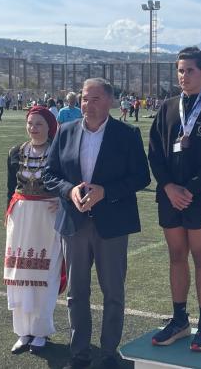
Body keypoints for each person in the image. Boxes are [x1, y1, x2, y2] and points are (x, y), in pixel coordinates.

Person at [43, 78, 151, 369]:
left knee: (113, 292)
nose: (87, 105)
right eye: (84, 98)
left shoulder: (127, 134)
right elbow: (49, 174)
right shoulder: (65, 131)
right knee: (76, 293)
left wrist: (106, 192)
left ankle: (109, 353)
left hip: (112, 224)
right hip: (74, 224)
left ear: (110, 101)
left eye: (94, 99)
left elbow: (141, 177)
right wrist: (69, 191)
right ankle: (79, 352)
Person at [148, 47, 201, 351]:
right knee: (175, 255)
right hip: (169, 196)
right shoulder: (168, 107)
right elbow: (155, 152)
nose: (184, 76)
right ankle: (180, 319)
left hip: (200, 196)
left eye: (190, 70)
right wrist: (168, 186)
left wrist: (191, 190)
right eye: (180, 70)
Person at [5, 106, 62, 355]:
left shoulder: (58, 151)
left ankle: (40, 330)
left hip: (47, 217)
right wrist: (7, 214)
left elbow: (68, 181)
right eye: (30, 123)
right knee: (19, 274)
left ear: (49, 127)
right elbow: (10, 187)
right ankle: (22, 331)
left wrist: (62, 201)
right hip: (20, 217)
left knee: (45, 274)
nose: (33, 128)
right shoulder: (15, 152)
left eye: (39, 124)